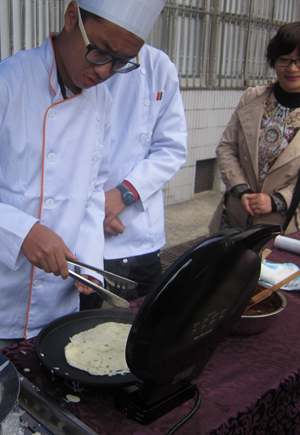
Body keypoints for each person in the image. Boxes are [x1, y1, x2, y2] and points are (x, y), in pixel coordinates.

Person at [0, 0, 166, 349]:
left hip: (56, 305)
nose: (103, 72)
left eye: (121, 62)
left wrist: (90, 263)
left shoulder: (102, 103)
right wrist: (22, 232)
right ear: (71, 18)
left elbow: (94, 189)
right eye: (100, 51)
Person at [209, 22, 300, 235]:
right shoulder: (252, 98)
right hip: (233, 218)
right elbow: (226, 148)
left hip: (282, 226)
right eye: (284, 60)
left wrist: (277, 201)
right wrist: (241, 190)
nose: (292, 68)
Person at [80, 44, 187, 310]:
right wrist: (90, 209)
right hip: (79, 233)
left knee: (141, 329)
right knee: (80, 332)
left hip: (138, 232)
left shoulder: (158, 65)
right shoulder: (75, 61)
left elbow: (171, 147)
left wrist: (124, 193)